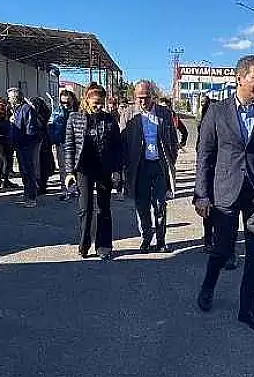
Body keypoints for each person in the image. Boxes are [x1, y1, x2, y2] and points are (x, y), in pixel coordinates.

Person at [194, 55, 254, 333]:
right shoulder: (217, 112)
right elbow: (205, 155)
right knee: (222, 249)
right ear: (239, 78)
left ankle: (248, 310)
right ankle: (208, 287)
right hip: (226, 192)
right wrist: (202, 194)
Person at [64, 82, 122, 260]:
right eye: (96, 103)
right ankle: (84, 243)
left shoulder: (109, 119)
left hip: (104, 168)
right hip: (84, 169)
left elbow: (117, 147)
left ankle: (104, 245)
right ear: (87, 100)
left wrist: (117, 170)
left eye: (101, 103)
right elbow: (69, 146)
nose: (99, 107)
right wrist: (69, 172)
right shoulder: (75, 118)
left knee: (104, 208)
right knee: (85, 209)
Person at [123, 81, 179, 253]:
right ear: (134, 97)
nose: (143, 101)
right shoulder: (128, 114)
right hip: (139, 167)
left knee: (160, 204)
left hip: (159, 166)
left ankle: (161, 241)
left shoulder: (164, 113)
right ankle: (146, 239)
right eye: (139, 98)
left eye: (146, 97)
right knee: (142, 206)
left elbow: (173, 139)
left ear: (153, 96)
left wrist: (172, 159)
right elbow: (123, 142)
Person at [9, 87, 42, 208]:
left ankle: (32, 197)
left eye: (10, 97)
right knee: (23, 171)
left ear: (15, 98)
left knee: (29, 170)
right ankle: (27, 194)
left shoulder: (26, 109)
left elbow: (30, 128)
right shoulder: (17, 109)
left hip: (26, 144)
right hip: (20, 144)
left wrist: (26, 143)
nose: (8, 100)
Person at [195, 95, 217, 252]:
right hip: (209, 174)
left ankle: (216, 239)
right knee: (209, 209)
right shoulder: (204, 129)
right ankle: (208, 238)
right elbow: (201, 156)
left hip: (222, 175)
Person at [49, 90, 77, 201]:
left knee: (76, 166)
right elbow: (51, 127)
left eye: (68, 102)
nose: (65, 104)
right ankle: (65, 190)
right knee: (63, 168)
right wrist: (54, 141)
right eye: (63, 102)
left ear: (73, 100)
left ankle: (75, 189)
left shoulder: (78, 111)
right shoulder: (57, 112)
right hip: (62, 143)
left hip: (76, 143)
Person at [28, 96, 55, 196]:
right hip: (45, 141)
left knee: (39, 164)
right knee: (43, 164)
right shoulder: (45, 113)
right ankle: (42, 185)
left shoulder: (36, 116)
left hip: (40, 141)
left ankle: (40, 186)